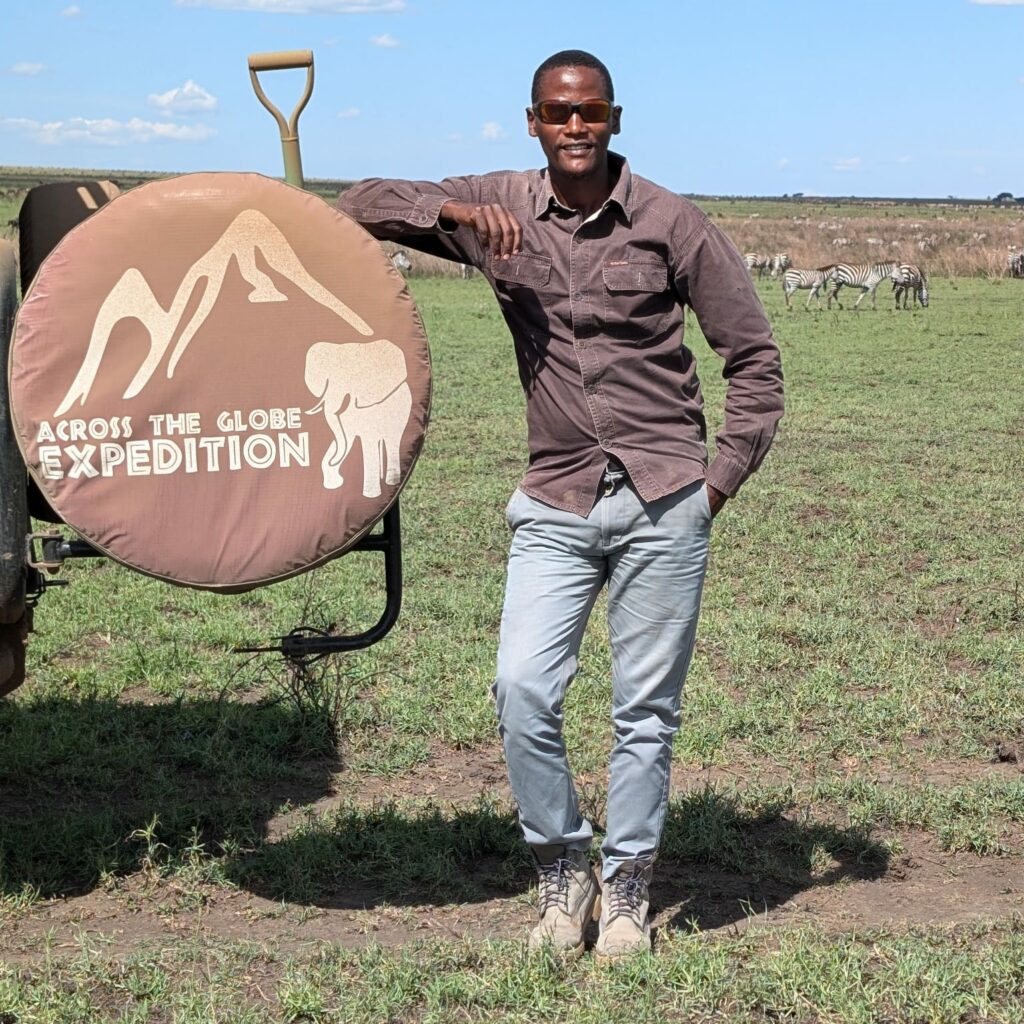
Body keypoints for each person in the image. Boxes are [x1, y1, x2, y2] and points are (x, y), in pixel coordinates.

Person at [337, 49, 784, 959]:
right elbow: (356, 205)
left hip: (666, 501)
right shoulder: (495, 205)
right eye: (556, 113)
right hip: (556, 497)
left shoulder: (671, 222)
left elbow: (755, 362)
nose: (574, 127)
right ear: (533, 122)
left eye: (590, 113)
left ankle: (625, 891)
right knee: (521, 690)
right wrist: (449, 213)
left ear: (615, 119)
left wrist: (715, 485)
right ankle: (562, 867)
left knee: (644, 711)